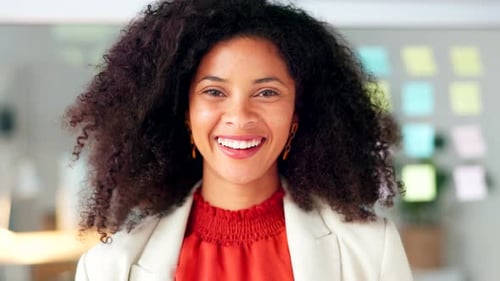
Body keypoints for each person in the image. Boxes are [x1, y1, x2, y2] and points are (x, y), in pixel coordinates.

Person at [66, 0, 413, 280]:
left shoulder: (370, 250)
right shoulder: (108, 268)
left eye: (266, 92)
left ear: (298, 112)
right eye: (214, 91)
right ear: (184, 111)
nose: (240, 116)